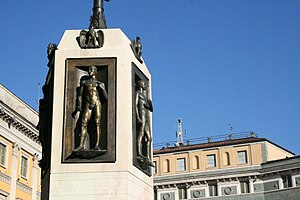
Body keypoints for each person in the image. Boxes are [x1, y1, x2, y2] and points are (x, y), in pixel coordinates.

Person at [72, 66, 108, 151]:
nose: (90, 71)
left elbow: (106, 98)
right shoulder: (84, 82)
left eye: (92, 70)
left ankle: (96, 145)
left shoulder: (100, 84)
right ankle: (81, 145)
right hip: (87, 103)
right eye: (89, 69)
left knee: (97, 123)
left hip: (97, 103)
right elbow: (79, 95)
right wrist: (78, 106)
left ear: (95, 72)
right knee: (83, 123)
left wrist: (103, 90)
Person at [135, 80, 153, 161]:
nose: (145, 85)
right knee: (141, 134)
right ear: (140, 84)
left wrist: (151, 104)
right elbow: (135, 105)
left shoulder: (144, 97)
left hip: (145, 118)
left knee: (149, 138)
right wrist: (138, 117)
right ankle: (139, 153)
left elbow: (150, 109)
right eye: (143, 83)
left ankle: (148, 157)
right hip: (141, 116)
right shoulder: (138, 93)